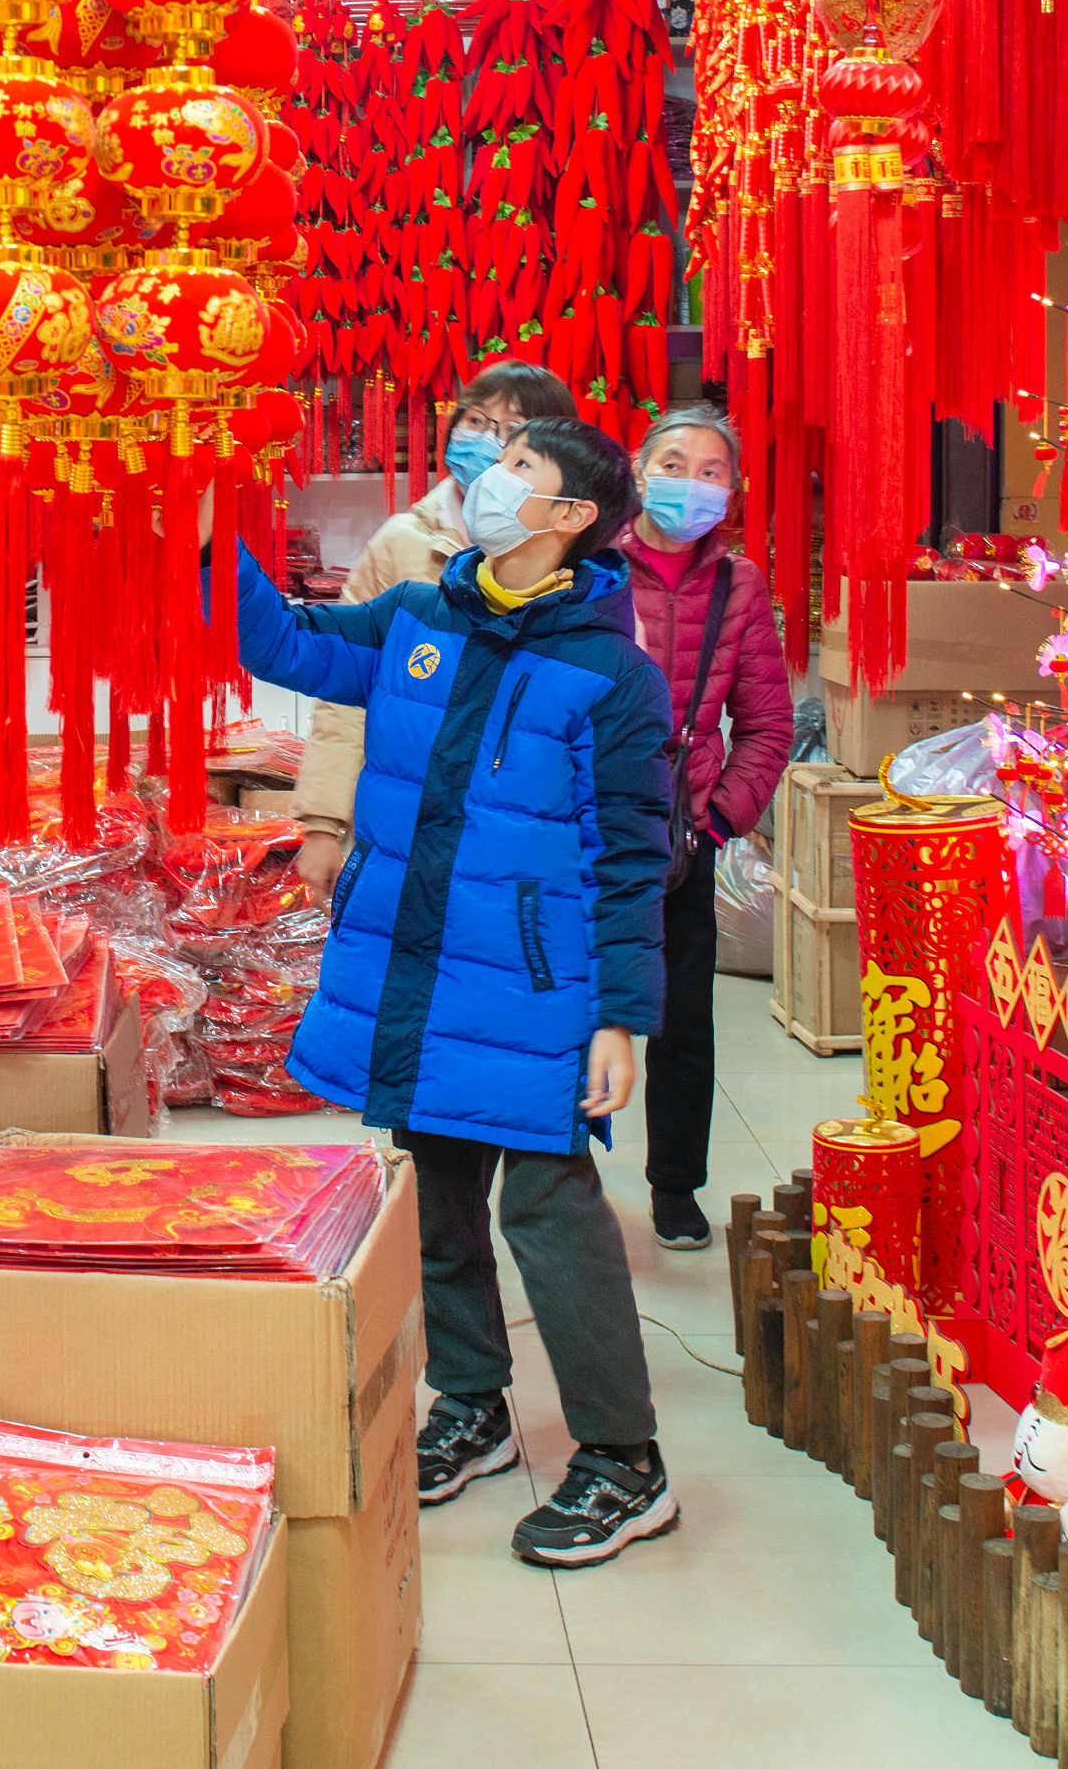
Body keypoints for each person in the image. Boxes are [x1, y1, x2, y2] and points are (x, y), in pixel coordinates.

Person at [227, 414, 679, 1570]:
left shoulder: (612, 678)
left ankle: (625, 1460)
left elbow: (633, 859)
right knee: (435, 1197)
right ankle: (472, 1401)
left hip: (536, 990)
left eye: (520, 466)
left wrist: (621, 1017)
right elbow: (285, 645)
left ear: (569, 516)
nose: (487, 475)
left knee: (548, 1211)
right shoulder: (419, 617)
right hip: (417, 968)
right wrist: (205, 536)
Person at [292, 362, 578, 901]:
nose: (487, 440)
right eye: (475, 420)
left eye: (511, 428)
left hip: (523, 834)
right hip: (402, 819)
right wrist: (323, 824)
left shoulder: (579, 562)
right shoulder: (402, 544)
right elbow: (346, 693)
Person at [618, 404, 793, 1251]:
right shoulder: (590, 565)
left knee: (683, 1022)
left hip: (682, 838)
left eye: (711, 470)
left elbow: (767, 724)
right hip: (584, 833)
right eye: (674, 464)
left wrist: (720, 821)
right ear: (638, 470)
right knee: (565, 1011)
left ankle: (675, 1184)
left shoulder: (739, 584)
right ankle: (556, 1181)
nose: (691, 483)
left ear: (732, 489)